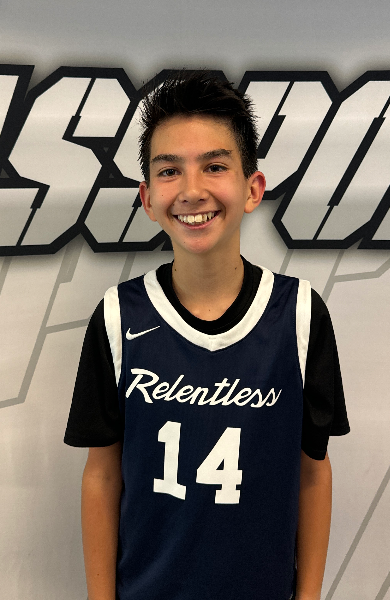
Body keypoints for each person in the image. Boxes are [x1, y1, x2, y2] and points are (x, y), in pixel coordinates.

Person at [64, 71, 350, 600]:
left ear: (252, 188)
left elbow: (313, 472)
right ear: (147, 198)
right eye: (169, 171)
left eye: (215, 166)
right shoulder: (118, 316)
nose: (192, 191)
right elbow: (101, 476)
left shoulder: (301, 315)